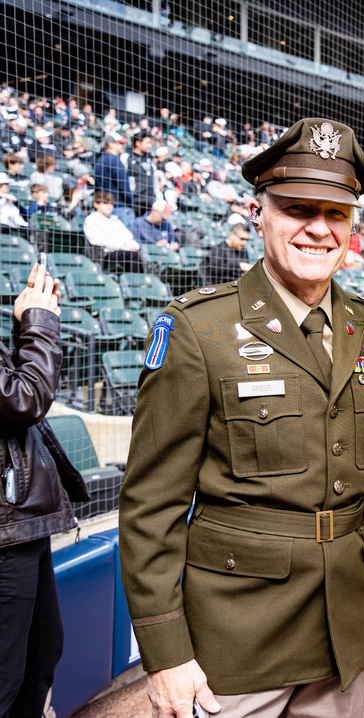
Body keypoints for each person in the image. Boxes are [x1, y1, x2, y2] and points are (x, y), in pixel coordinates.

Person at [119, 117, 364, 718]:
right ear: (258, 213)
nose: (318, 228)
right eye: (297, 209)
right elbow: (150, 507)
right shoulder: (197, 331)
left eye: (335, 213)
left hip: (346, 633)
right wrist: (164, 652)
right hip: (233, 644)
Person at [0, 263, 88, 718]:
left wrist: (24, 330)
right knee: (7, 675)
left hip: (18, 522)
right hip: (4, 531)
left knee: (40, 652)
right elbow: (23, 400)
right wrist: (39, 325)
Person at [83, 191, 145, 273]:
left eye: (111, 204)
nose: (109, 206)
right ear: (96, 204)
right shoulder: (91, 220)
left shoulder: (115, 220)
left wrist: (134, 247)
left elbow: (128, 237)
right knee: (133, 255)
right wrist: (121, 246)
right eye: (105, 203)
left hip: (122, 251)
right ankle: (134, 282)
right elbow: (96, 240)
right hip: (104, 254)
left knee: (142, 254)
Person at [201, 220, 251, 285]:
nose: (244, 243)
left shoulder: (243, 252)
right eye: (242, 239)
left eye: (247, 240)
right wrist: (239, 266)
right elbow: (215, 270)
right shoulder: (218, 249)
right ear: (232, 234)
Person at [127, 130, 157, 217]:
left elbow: (154, 181)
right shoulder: (127, 158)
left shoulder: (150, 160)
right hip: (134, 203)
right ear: (138, 143)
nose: (150, 146)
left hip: (149, 203)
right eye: (147, 143)